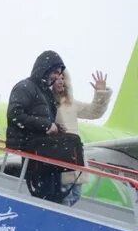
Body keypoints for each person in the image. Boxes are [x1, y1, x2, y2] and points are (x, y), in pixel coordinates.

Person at [7, 51, 67, 202]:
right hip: (33, 150)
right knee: (42, 194)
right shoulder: (25, 87)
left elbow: (41, 119)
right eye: (55, 72)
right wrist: (46, 125)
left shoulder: (45, 92)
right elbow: (14, 114)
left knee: (53, 194)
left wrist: (56, 127)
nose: (57, 77)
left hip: (44, 151)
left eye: (59, 74)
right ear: (45, 69)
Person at [53, 70, 112, 206]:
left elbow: (94, 112)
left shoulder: (70, 104)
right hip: (58, 161)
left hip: (74, 161)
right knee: (64, 200)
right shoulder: (45, 102)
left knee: (75, 197)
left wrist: (101, 94)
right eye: (57, 78)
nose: (60, 81)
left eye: (63, 78)